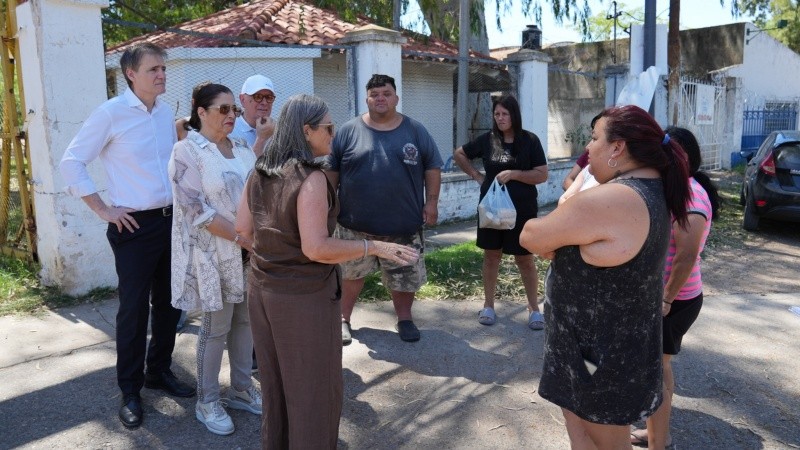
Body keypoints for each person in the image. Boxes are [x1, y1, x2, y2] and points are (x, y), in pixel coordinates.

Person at [234, 94, 418, 448]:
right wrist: (374, 247)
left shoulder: (259, 170)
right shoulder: (310, 178)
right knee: (312, 390)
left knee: (276, 384)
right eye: (328, 128)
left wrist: (274, 258)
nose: (334, 135)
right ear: (307, 130)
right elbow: (316, 247)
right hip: (303, 298)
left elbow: (243, 232)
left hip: (262, 289)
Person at [519, 105, 691, 449]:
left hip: (598, 358)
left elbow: (530, 235)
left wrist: (570, 199)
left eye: (595, 137)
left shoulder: (615, 199)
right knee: (579, 423)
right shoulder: (648, 190)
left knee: (605, 441)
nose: (587, 147)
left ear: (618, 148)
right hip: (609, 347)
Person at [59, 43, 195, 429]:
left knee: (170, 304)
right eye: (154, 69)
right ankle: (130, 390)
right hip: (133, 227)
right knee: (133, 311)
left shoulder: (164, 112)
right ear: (130, 74)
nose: (162, 75)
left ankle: (159, 371)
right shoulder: (110, 114)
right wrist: (103, 209)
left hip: (171, 222)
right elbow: (72, 162)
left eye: (163, 69)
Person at [169, 83, 261, 436]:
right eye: (222, 109)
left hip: (247, 251)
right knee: (216, 326)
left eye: (234, 110)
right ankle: (207, 401)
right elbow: (196, 210)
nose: (231, 116)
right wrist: (242, 238)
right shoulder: (186, 151)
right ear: (201, 112)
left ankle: (240, 389)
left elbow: (256, 194)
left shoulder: (241, 147)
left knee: (245, 322)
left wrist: (254, 239)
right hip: (213, 253)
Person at [328, 74, 443, 344]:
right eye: (375, 94)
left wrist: (432, 202)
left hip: (402, 225)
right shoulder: (348, 130)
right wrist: (327, 207)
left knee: (404, 276)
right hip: (354, 226)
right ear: (366, 99)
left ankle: (405, 319)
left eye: (386, 93)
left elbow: (432, 166)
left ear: (396, 98)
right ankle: (343, 320)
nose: (380, 98)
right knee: (350, 274)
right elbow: (332, 172)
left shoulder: (415, 130)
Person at [630, 126, 720, 449]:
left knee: (657, 371)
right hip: (669, 297)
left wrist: (666, 300)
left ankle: (660, 439)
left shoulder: (692, 195)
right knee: (659, 368)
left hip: (676, 298)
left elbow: (686, 256)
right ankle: (657, 432)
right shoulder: (677, 190)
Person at [452, 95, 548, 329]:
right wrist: (476, 176)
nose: (501, 118)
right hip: (492, 209)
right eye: (497, 114)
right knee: (491, 255)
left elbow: (542, 174)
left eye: (505, 113)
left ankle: (534, 309)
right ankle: (488, 305)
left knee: (524, 258)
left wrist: (515, 174)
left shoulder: (529, 141)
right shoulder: (488, 140)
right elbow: (459, 154)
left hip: (522, 210)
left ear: (514, 115)